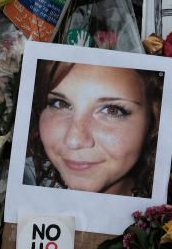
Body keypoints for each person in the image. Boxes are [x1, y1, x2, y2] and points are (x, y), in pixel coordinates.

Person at [26, 60, 163, 196]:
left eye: (111, 110)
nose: (74, 140)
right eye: (60, 104)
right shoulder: (22, 179)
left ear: (154, 118)